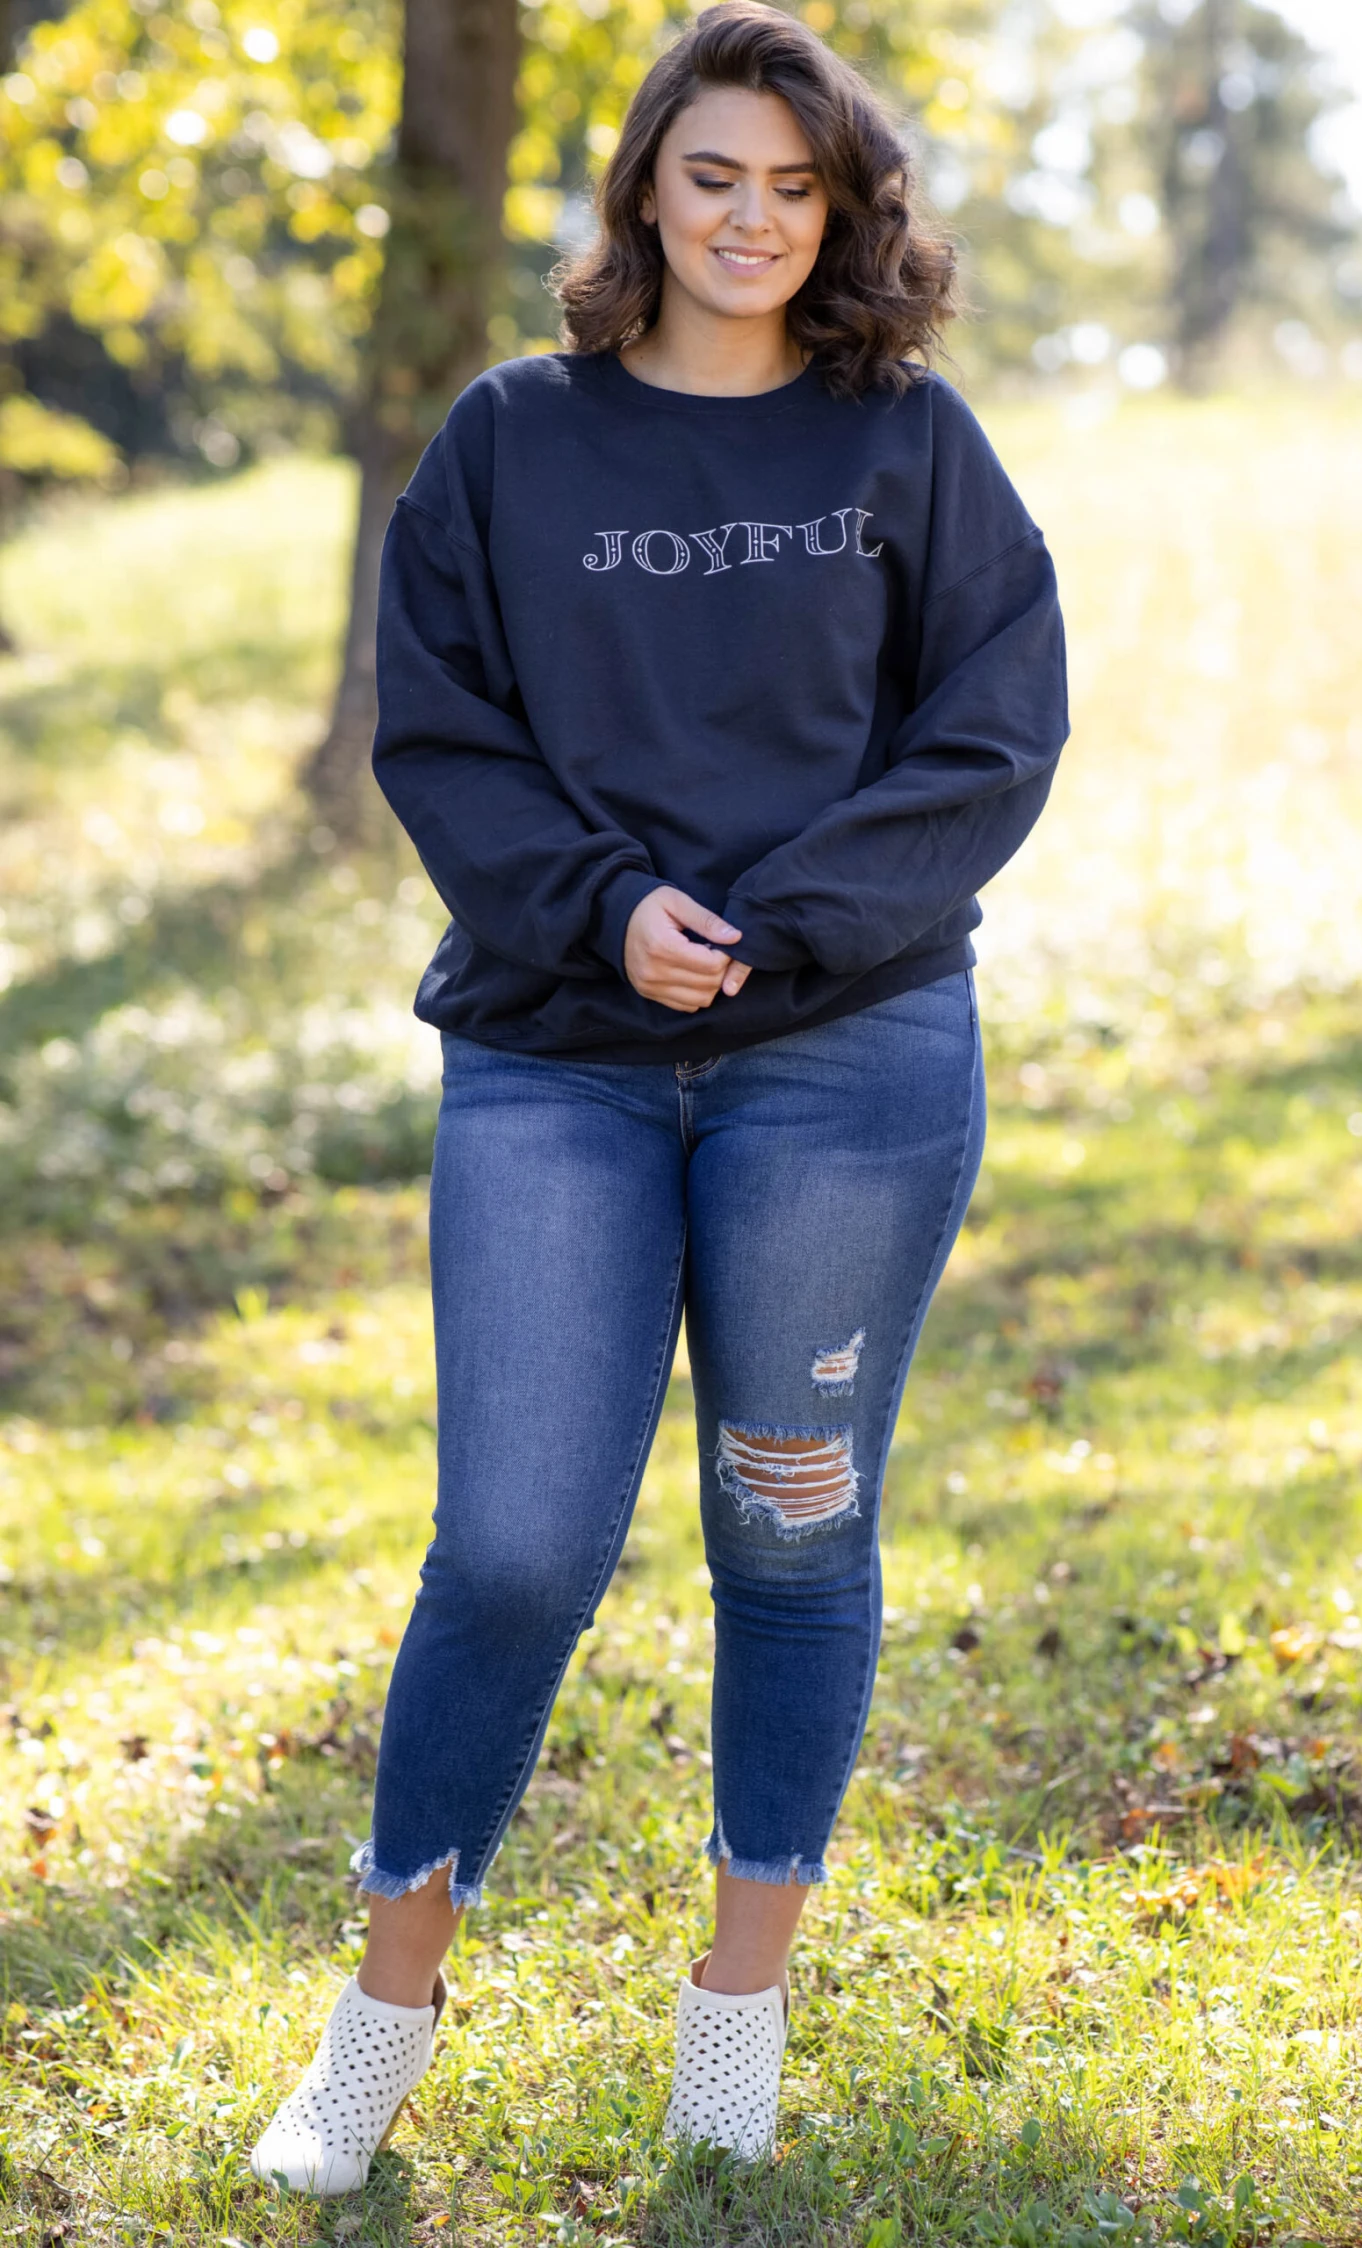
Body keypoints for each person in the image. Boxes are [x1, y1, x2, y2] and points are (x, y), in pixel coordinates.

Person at [249, 0, 1067, 2197]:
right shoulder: (510, 441)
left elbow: (995, 730)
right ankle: (376, 2030)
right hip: (555, 1060)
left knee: (790, 1531)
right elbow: (440, 729)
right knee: (517, 1546)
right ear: (642, 191)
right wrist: (606, 909)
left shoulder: (911, 443)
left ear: (844, 209)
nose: (752, 219)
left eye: (796, 186)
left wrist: (778, 921)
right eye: (714, 176)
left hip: (849, 1056)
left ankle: (735, 2025)